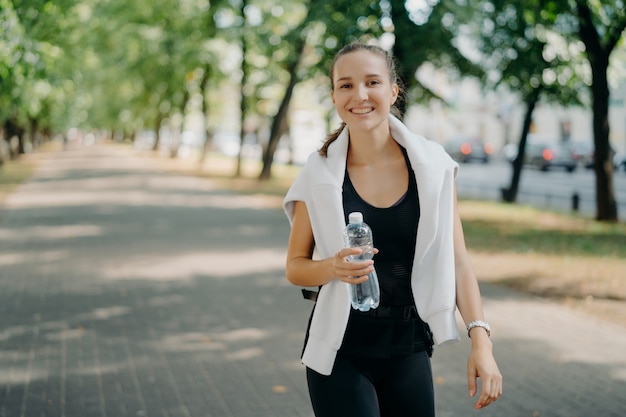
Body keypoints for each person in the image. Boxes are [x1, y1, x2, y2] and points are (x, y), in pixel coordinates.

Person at [283, 41, 502, 417]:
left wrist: (481, 341)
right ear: (334, 96)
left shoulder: (432, 168)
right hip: (340, 351)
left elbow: (459, 260)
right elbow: (295, 266)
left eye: (372, 82)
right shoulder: (318, 174)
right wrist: (332, 267)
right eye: (346, 85)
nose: (360, 95)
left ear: (393, 90)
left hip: (409, 347)